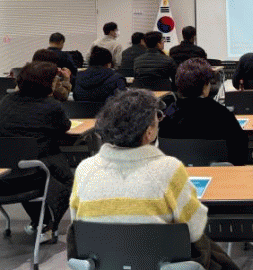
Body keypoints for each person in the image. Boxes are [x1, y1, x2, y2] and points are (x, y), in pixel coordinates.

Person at [68, 89, 239, 270]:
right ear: (149, 132)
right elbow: (195, 230)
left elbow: (77, 227)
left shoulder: (84, 170)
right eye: (157, 118)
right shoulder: (169, 169)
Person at [0, 61, 73, 242]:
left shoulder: (6, 102)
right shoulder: (51, 106)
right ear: (48, 83)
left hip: (7, 174)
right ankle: (49, 224)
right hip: (36, 173)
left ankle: (39, 221)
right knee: (67, 179)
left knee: (29, 165)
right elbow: (65, 126)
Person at [160, 58, 248, 166]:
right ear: (205, 86)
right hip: (219, 174)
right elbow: (241, 151)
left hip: (178, 172)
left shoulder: (169, 113)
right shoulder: (221, 113)